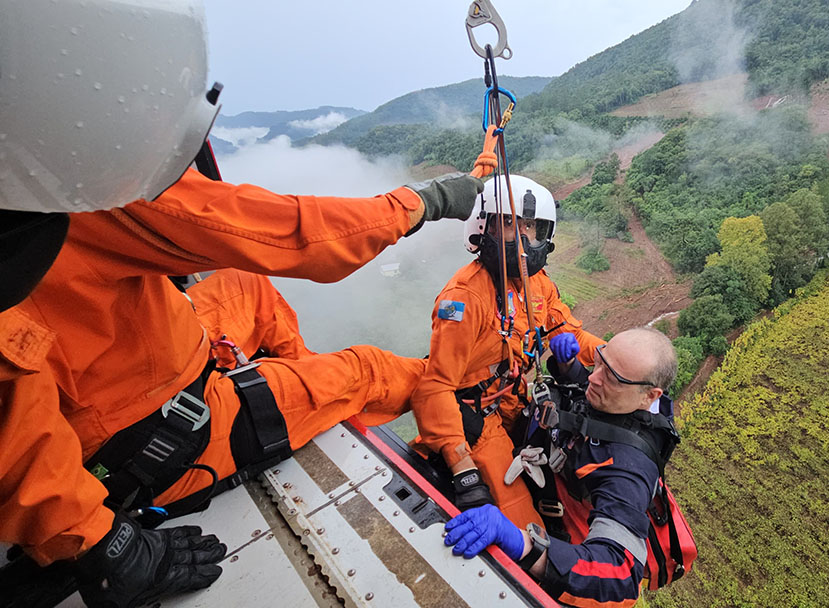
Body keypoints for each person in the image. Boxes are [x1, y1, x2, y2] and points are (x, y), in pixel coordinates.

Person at [0, 2, 483, 606]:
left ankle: (297, 386)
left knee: (247, 286)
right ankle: (309, 400)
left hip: (143, 361)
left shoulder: (32, 179)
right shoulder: (77, 185)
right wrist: (104, 548)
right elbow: (291, 233)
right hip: (149, 434)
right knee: (376, 370)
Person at [411, 174, 606, 529]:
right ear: (484, 228)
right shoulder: (465, 298)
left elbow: (568, 330)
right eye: (509, 224)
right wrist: (462, 469)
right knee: (521, 518)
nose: (523, 239)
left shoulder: (538, 284)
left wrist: (614, 357)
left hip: (518, 406)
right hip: (478, 416)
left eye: (531, 227)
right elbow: (435, 386)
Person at [442, 327, 680, 608]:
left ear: (649, 396)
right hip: (543, 477)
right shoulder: (626, 398)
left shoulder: (628, 470)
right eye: (600, 361)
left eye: (611, 376)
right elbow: (595, 391)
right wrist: (569, 367)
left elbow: (621, 571)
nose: (594, 376)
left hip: (562, 544)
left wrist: (526, 545)